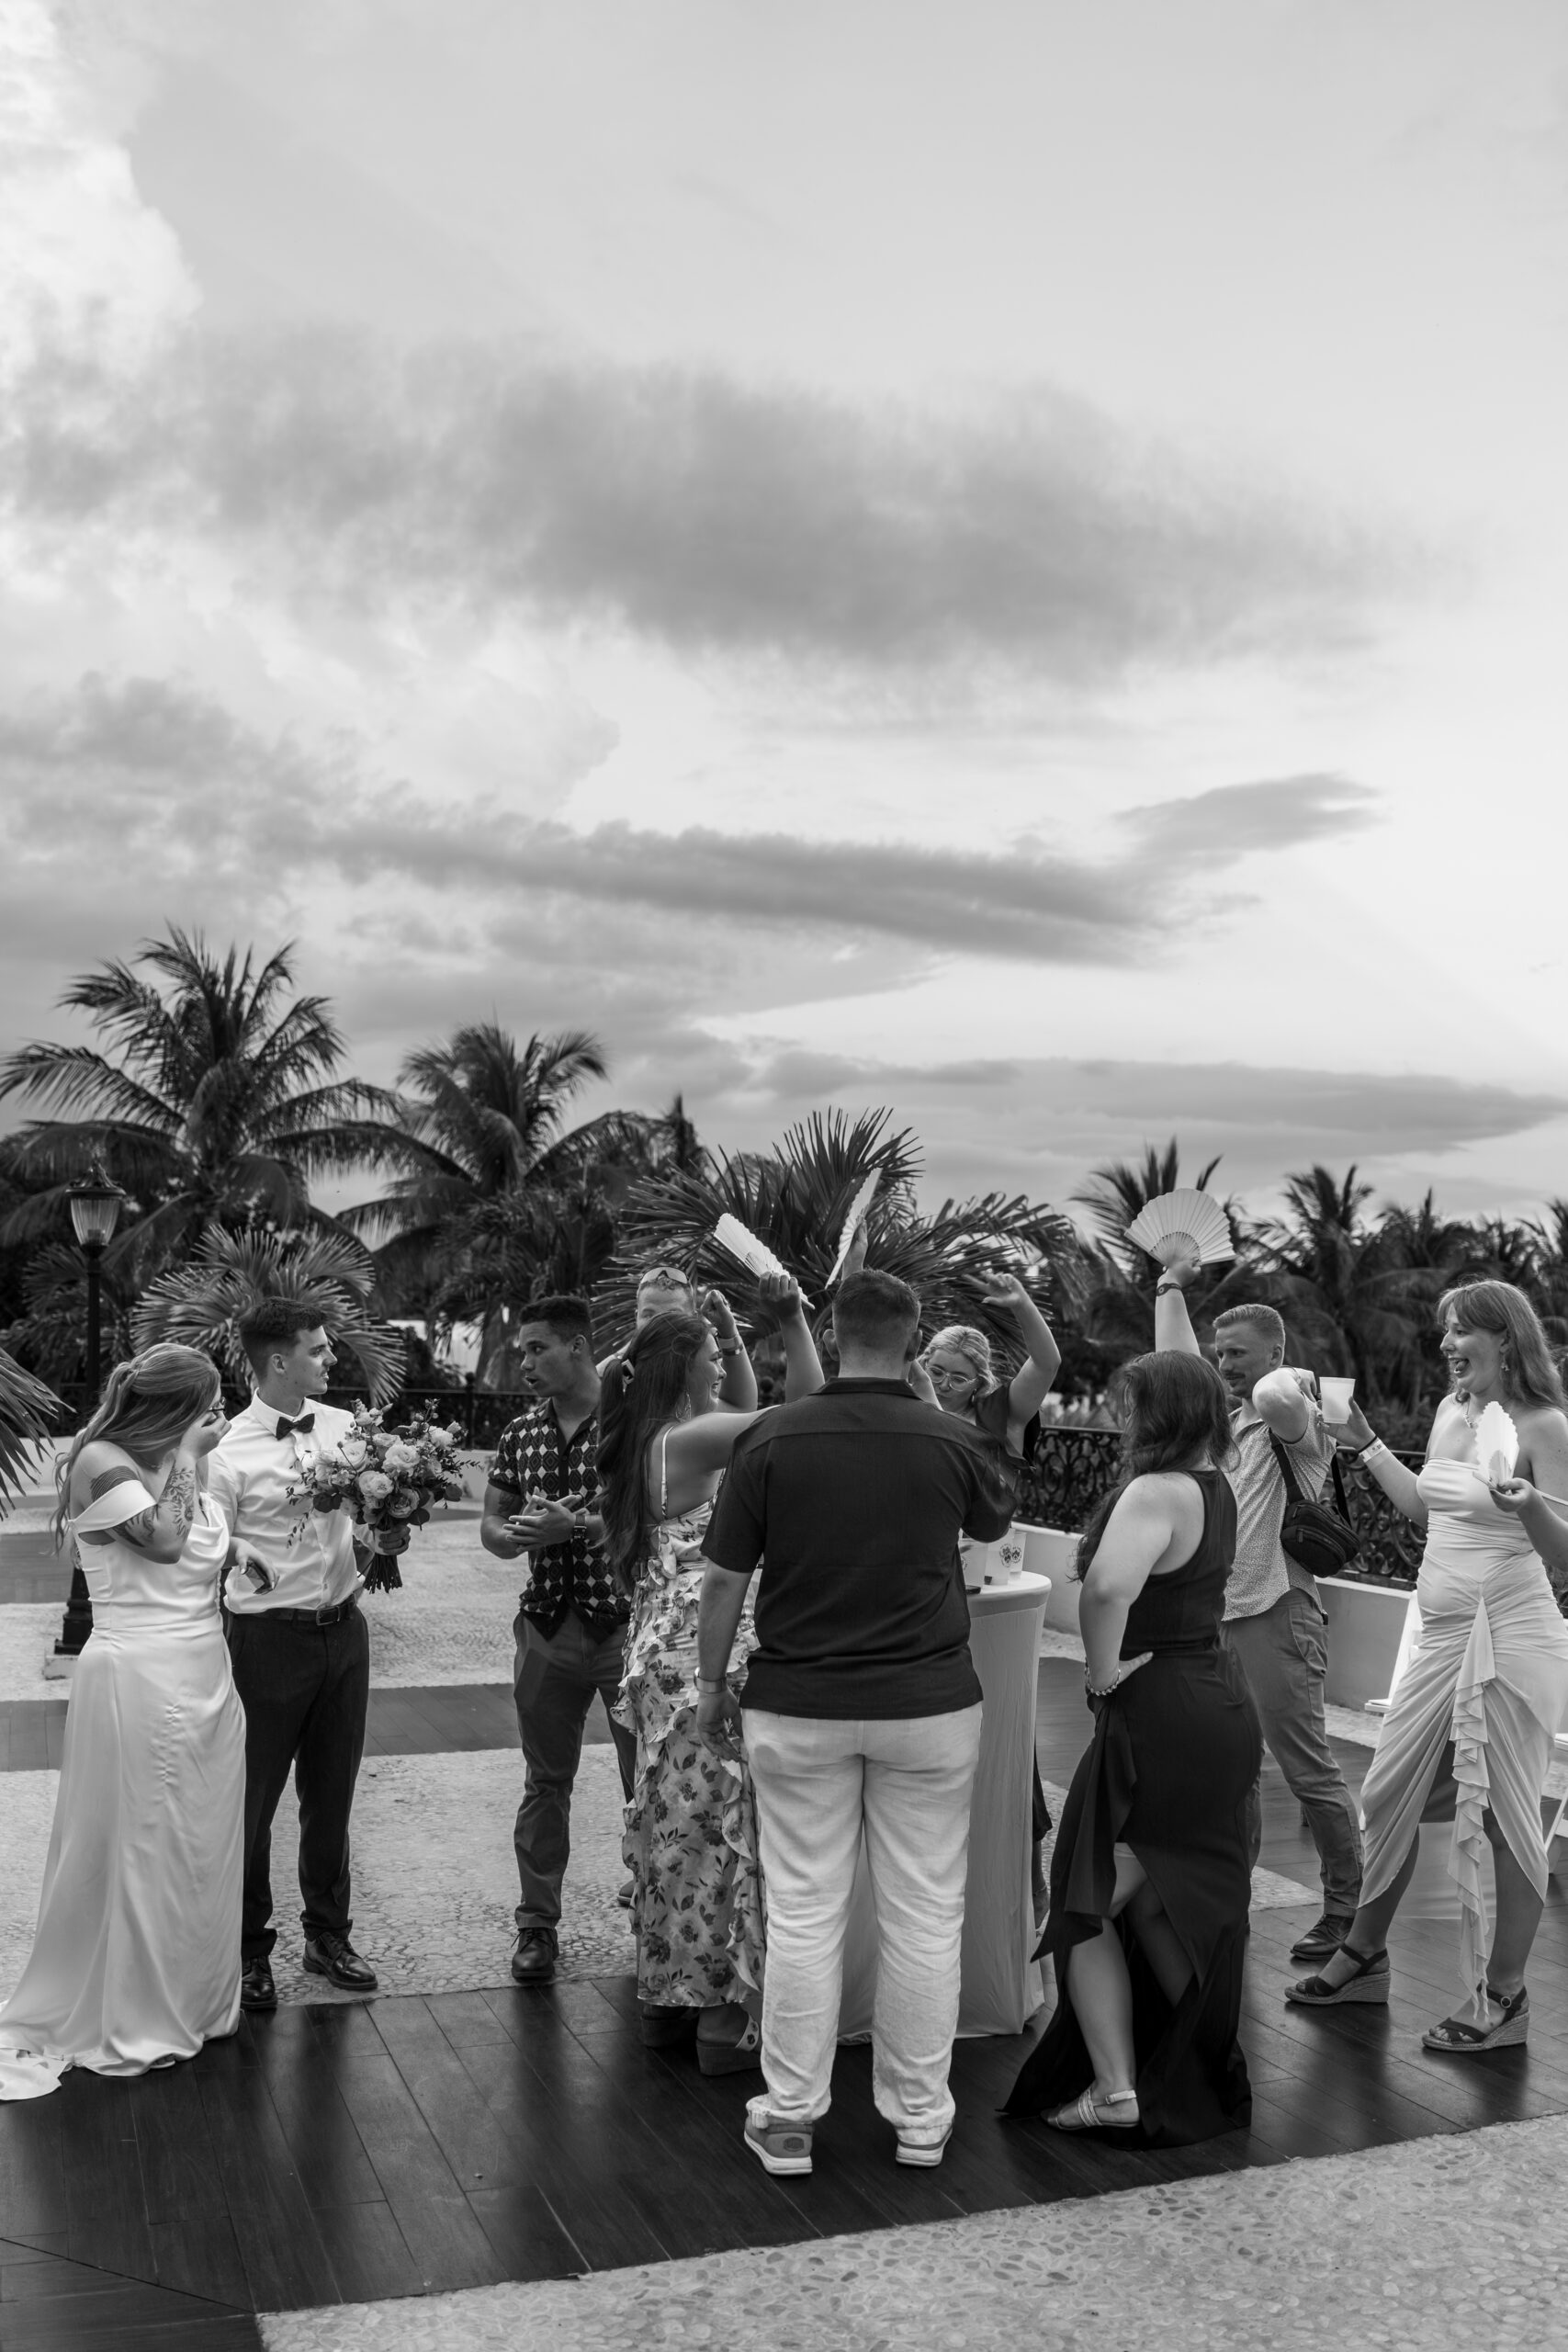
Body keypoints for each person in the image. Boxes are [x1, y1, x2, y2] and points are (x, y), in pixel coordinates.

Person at [695, 1268, 1015, 2177]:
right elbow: (992, 1526)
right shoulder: (949, 1437)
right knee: (924, 1911)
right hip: (927, 1704)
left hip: (798, 1702)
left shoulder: (772, 1435)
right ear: (913, 1342)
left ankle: (791, 2114)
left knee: (803, 1911)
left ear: (833, 1334)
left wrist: (713, 1682)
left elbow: (724, 1580)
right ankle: (920, 2116)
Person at [1287, 1281, 1568, 2051]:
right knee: (1385, 1795)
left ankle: (1503, 1997)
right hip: (1439, 1634)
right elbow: (1425, 1507)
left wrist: (1529, 1507)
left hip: (1508, 1638)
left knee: (1507, 1821)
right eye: (1442, 1332)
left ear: (1505, 1339)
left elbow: (1564, 1554)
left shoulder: (1546, 1425)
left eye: (1460, 1332)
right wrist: (1369, 1443)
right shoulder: (1451, 1412)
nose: (1445, 1345)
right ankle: (1365, 1954)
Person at [1003, 1351, 1261, 2143]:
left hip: (1159, 1711)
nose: (1119, 1417)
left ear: (1159, 1416)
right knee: (1155, 1902)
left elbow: (1111, 1588)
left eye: (1129, 1405)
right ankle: (1200, 2070)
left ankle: (1118, 2088)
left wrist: (1102, 1674)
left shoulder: (1155, 1489)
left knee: (1084, 1901)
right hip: (1213, 1703)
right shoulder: (1215, 1487)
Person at [0, 1346, 258, 2098]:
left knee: (196, 1840)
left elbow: (196, 1544)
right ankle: (136, 2012)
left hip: (205, 1669)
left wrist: (237, 1546)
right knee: (141, 1839)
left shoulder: (179, 1462)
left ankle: (193, 1998)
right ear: (174, 1409)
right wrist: (187, 1455)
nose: (214, 1419)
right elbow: (165, 1541)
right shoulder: (100, 1461)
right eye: (205, 1406)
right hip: (138, 1675)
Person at [599, 1272, 822, 2071]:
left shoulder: (652, 1435)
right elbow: (806, 1412)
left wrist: (727, 1337)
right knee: (715, 1832)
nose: (718, 1368)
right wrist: (791, 1322)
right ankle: (719, 2026)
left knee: (679, 1822)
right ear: (684, 1369)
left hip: (660, 1646)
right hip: (702, 1650)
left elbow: (736, 1404)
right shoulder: (687, 1441)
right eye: (709, 1357)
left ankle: (672, 2000)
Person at [1156, 1257, 1362, 1963]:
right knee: (1230, 1771)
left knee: (1307, 1772)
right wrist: (1169, 1288)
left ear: (1275, 1355)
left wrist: (1287, 1382)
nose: (1223, 1366)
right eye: (1219, 1355)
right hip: (1218, 1620)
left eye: (1237, 1356)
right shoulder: (1219, 1421)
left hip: (1278, 1612)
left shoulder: (1295, 1425)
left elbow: (1279, 1398)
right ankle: (1227, 1896)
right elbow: (1176, 1362)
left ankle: (1346, 1913)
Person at [209, 1305, 379, 2012]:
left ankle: (328, 1934)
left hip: (344, 1631)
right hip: (264, 1643)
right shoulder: (224, 1454)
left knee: (332, 1794)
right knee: (251, 1805)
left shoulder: (346, 1429)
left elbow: (369, 1523)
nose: (330, 1360)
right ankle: (249, 1950)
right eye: (317, 1351)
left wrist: (385, 1539)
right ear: (278, 1362)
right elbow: (208, 1556)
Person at [482, 1292, 634, 1987]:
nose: (526, 1363)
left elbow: (651, 1513)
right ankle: (536, 1928)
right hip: (545, 1625)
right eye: (521, 1352)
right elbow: (492, 1524)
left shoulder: (635, 1422)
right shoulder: (520, 1434)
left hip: (625, 1627)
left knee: (649, 1782)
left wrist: (571, 1528)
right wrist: (515, 1536)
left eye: (537, 1348)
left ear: (578, 1345)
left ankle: (658, 1920)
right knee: (545, 1782)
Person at [920, 1277, 1062, 1917]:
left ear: (976, 1381)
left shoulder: (998, 1412)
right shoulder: (909, 1405)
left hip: (985, 1575)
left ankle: (1026, 1875)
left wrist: (1023, 1308)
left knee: (1005, 1729)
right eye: (933, 1370)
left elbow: (1048, 1363)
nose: (941, 1383)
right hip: (922, 1578)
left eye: (953, 1376)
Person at [598, 1262, 759, 1411]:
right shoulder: (622, 1375)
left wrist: (728, 1329)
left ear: (692, 1319)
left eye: (672, 1316)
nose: (660, 1325)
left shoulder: (701, 1374)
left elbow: (740, 1410)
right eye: (649, 1316)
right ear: (636, 1318)